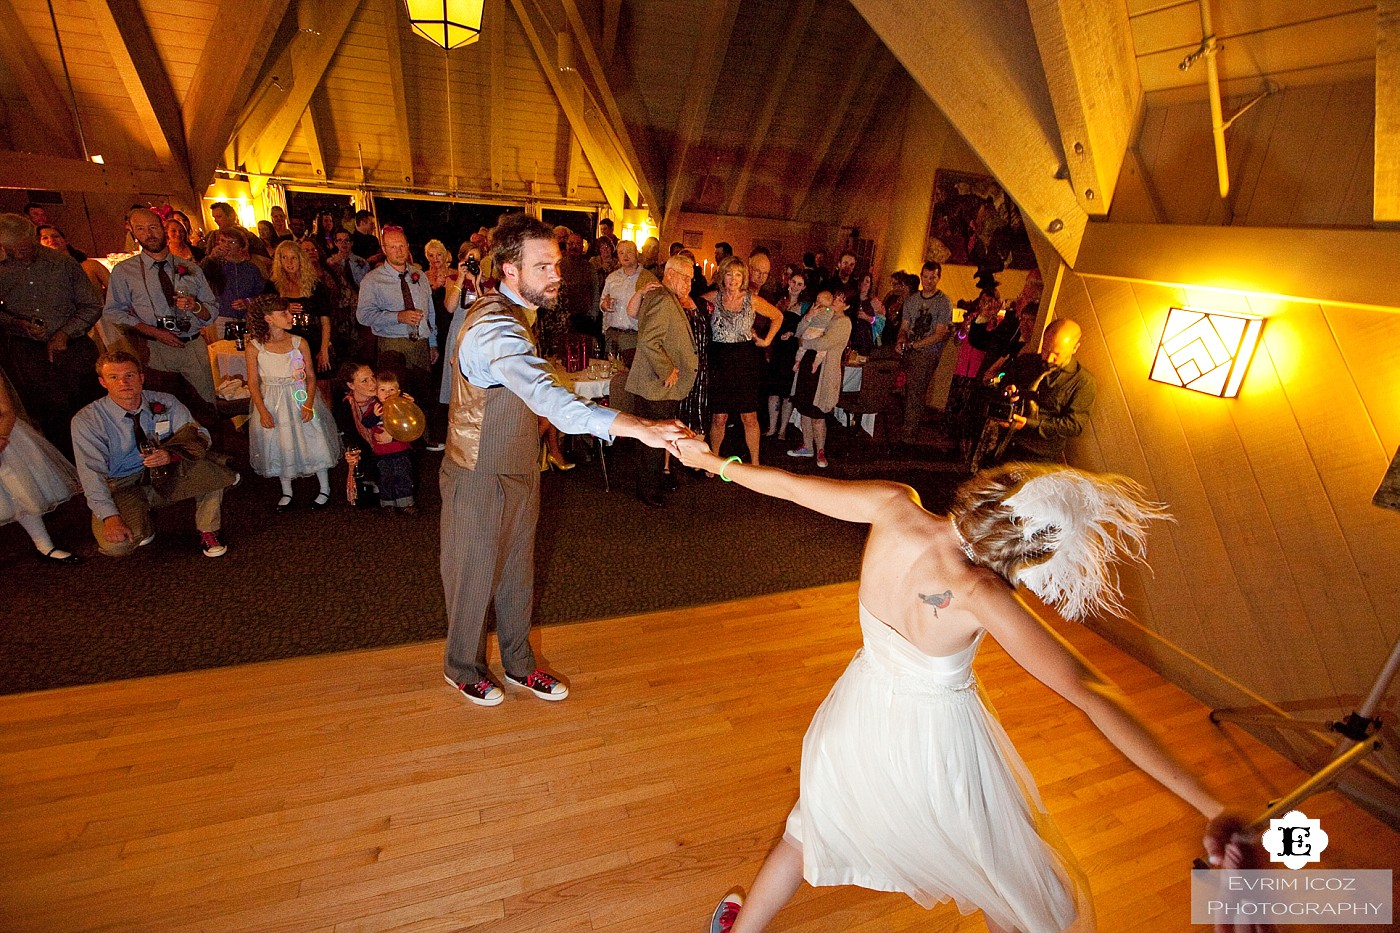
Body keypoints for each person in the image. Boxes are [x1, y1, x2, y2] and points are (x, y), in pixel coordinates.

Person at [670, 446, 1254, 933]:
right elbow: (1092, 693)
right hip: (935, 748)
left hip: (859, 711)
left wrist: (716, 464)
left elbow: (792, 486)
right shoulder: (978, 592)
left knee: (809, 829)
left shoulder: (893, 505)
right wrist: (1211, 805)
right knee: (1024, 885)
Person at [439, 212, 691, 706]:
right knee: (473, 571)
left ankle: (518, 662)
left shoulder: (517, 313)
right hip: (477, 472)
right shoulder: (493, 328)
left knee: (516, 571)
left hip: (519, 466)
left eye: (555, 265)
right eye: (543, 267)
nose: (556, 275)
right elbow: (549, 398)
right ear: (509, 272)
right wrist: (639, 427)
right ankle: (461, 666)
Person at [71, 351, 236, 557]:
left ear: (141, 378)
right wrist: (110, 516)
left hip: (165, 470)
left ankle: (209, 530)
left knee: (210, 470)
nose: (123, 382)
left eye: (129, 375)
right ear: (103, 382)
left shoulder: (165, 402)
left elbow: (201, 435)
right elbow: (91, 475)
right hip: (121, 483)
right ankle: (144, 523)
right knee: (118, 546)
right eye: (114, 377)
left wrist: (171, 454)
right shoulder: (87, 421)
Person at [0, 213, 105, 457]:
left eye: (27, 246)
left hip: (74, 348)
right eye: (15, 250)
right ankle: (72, 468)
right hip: (28, 352)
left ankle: (108, 461)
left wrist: (64, 334)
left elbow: (92, 306)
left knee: (92, 407)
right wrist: (16, 323)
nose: (23, 253)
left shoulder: (61, 264)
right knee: (52, 415)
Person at [102, 208, 219, 413]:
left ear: (164, 229)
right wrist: (153, 331)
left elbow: (212, 310)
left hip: (191, 346)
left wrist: (196, 306)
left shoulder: (190, 267)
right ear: (133, 234)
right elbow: (113, 311)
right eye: (141, 229)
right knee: (162, 410)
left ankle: (207, 443)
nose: (149, 234)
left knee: (205, 407)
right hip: (153, 349)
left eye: (153, 227)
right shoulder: (124, 271)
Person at [244, 295, 341, 511]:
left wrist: (308, 403)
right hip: (273, 400)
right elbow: (253, 383)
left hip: (299, 396)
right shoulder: (255, 347)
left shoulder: (299, 342)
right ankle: (286, 488)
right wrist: (262, 411)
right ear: (268, 318)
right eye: (284, 314)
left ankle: (324, 486)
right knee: (280, 441)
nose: (291, 316)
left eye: (289, 312)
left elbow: (311, 376)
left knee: (312, 437)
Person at [355, 225, 440, 448]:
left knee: (421, 394)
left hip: (420, 344)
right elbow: (363, 316)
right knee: (394, 396)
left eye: (402, 245)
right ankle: (396, 443)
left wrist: (432, 342)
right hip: (393, 345)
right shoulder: (372, 280)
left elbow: (430, 311)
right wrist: (398, 317)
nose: (399, 250)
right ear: (384, 248)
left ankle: (422, 439)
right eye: (393, 246)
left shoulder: (419, 275)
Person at [626, 255, 698, 508]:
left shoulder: (663, 297)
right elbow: (649, 340)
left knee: (654, 440)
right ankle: (648, 490)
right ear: (670, 274)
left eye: (691, 279)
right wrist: (667, 368)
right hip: (657, 385)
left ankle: (652, 484)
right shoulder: (663, 298)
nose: (689, 284)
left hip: (655, 384)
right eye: (686, 278)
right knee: (652, 443)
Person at [706, 256, 783, 466]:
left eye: (738, 275)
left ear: (743, 277)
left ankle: (756, 463)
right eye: (729, 274)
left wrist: (766, 341)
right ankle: (713, 461)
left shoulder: (752, 299)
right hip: (720, 363)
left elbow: (778, 316)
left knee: (749, 417)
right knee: (719, 418)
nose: (733, 279)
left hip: (744, 363)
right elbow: (689, 304)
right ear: (723, 275)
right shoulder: (714, 297)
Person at [0, 368, 83, 563]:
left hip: (4, 438)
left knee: (20, 490)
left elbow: (6, 411)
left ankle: (44, 545)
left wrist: (1, 437)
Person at [995, 318, 1096, 464]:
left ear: (1075, 348)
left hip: (1039, 456)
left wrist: (1029, 424)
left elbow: (1074, 426)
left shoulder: (1083, 382)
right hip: (1005, 445)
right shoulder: (1026, 362)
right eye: (1045, 349)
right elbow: (1002, 384)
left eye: (1056, 354)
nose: (1048, 358)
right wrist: (1007, 391)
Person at [787, 291, 852, 470]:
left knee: (817, 413)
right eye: (837, 297)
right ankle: (807, 446)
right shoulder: (823, 313)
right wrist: (808, 317)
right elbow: (799, 332)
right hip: (807, 366)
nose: (836, 301)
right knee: (804, 408)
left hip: (824, 372)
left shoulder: (843, 322)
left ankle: (820, 450)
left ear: (847, 306)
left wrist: (804, 343)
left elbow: (824, 343)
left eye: (841, 300)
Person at [896, 260, 953, 447]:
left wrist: (915, 345)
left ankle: (908, 437)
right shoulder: (912, 301)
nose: (928, 281)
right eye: (926, 277)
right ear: (921, 276)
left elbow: (939, 333)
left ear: (938, 278)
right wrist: (901, 340)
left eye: (932, 277)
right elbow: (904, 326)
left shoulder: (943, 303)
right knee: (903, 390)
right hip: (910, 348)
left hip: (927, 352)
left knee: (916, 392)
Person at [352, 370, 417, 514]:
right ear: (376, 393)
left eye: (391, 390)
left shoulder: (402, 405)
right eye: (383, 390)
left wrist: (411, 406)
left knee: (403, 476)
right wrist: (374, 417)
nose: (387, 393)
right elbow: (366, 423)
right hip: (382, 452)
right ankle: (388, 503)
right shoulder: (375, 408)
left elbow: (412, 426)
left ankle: (406, 503)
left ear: (398, 391)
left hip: (401, 450)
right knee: (385, 478)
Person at [270, 240, 334, 377]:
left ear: (300, 259)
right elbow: (264, 313)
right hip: (284, 343)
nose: (289, 262)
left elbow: (325, 321)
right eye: (284, 257)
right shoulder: (273, 286)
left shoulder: (316, 286)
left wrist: (324, 350)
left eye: (293, 258)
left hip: (313, 341)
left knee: (321, 386)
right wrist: (284, 309)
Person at [763, 270, 807, 439]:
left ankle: (782, 430)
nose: (795, 286)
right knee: (773, 391)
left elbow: (806, 331)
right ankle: (773, 427)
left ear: (803, 287)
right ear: (788, 283)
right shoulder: (779, 302)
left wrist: (793, 334)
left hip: (792, 352)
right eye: (793, 282)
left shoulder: (804, 307)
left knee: (787, 393)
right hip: (777, 351)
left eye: (799, 284)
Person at [599, 239, 657, 357]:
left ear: (637, 253)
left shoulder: (647, 278)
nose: (625, 255)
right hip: (612, 334)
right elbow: (602, 302)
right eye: (621, 253)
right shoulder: (612, 277)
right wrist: (604, 305)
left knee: (629, 374)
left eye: (629, 252)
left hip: (633, 337)